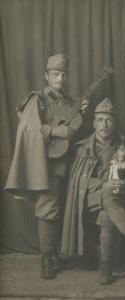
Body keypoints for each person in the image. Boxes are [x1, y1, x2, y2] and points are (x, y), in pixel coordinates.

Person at [5, 53, 88, 279]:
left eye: (63, 74)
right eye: (56, 74)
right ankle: (46, 260)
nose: (60, 78)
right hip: (46, 165)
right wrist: (53, 130)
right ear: (46, 76)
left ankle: (54, 254)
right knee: (47, 210)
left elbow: (72, 130)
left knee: (60, 208)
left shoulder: (68, 101)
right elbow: (29, 130)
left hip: (66, 162)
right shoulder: (38, 99)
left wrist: (81, 112)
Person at [61, 97, 125, 285]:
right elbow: (78, 183)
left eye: (108, 119)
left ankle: (106, 270)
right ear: (93, 123)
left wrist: (124, 182)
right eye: (100, 119)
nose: (104, 124)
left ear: (115, 122)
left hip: (117, 199)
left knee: (107, 216)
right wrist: (105, 185)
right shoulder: (82, 148)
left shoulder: (124, 146)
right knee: (107, 191)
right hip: (88, 199)